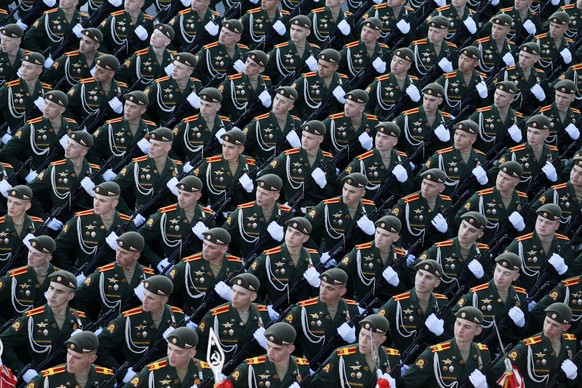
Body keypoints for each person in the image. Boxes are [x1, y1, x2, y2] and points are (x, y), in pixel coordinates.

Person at [0, 270, 87, 382]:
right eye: (51, 288)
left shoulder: (79, 319)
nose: (52, 295)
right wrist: (22, 369)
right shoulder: (31, 318)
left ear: (70, 296)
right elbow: (3, 343)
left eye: (60, 292)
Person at [96, 275, 186, 372]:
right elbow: (100, 347)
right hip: (132, 374)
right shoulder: (128, 319)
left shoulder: (177, 317)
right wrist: (122, 373)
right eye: (144, 295)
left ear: (163, 301)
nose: (144, 301)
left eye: (150, 298)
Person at [490, 302, 579, 387]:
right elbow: (497, 372)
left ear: (566, 327)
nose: (548, 328)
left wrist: (573, 377)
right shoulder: (528, 346)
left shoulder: (570, 342)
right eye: (547, 321)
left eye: (555, 325)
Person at [399, 306, 491, 388]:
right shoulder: (433, 354)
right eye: (458, 323)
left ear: (477, 331)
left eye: (467, 327)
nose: (460, 330)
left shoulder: (482, 353)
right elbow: (406, 384)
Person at [452, 252, 529, 350]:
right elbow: (453, 317)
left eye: (506, 273)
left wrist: (521, 324)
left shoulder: (520, 297)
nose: (499, 276)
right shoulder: (476, 294)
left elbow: (526, 331)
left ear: (515, 277)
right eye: (498, 270)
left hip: (502, 350)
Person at [53, 181, 135, 273]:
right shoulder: (81, 220)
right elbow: (59, 247)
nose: (96, 203)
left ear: (114, 203)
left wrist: (122, 250)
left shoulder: (126, 224)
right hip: (84, 275)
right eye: (95, 198)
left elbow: (136, 256)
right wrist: (72, 273)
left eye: (102, 200)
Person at [139, 176, 215, 271]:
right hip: (167, 267)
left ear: (198, 196)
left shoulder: (207, 216)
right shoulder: (164, 215)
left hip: (196, 271)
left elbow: (219, 249)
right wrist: (157, 261)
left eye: (186, 195)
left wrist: (208, 239)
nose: (181, 198)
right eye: (179, 193)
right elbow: (140, 240)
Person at [73, 231, 153, 321]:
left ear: (136, 256)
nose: (118, 255)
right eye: (118, 250)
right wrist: (87, 323)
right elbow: (78, 298)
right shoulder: (103, 274)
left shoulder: (148, 277)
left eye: (124, 253)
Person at [284, 268, 360, 362]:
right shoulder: (303, 309)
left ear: (342, 291)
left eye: (330, 288)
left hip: (341, 367)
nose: (323, 291)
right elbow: (284, 338)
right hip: (311, 367)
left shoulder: (351, 309)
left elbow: (363, 345)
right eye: (322, 285)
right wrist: (299, 365)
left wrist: (353, 340)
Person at [1, 90, 77, 182]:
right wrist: (26, 175)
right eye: (45, 103)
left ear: (61, 110)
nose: (46, 108)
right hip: (36, 178)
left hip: (61, 179)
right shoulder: (32, 127)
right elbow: (6, 152)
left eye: (51, 105)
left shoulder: (72, 128)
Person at [378, 259, 452, 353]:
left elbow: (451, 342)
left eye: (428, 277)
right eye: (420, 274)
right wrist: (390, 358)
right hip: (401, 362)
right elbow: (374, 330)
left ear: (437, 283)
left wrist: (441, 333)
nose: (422, 280)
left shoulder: (442, 303)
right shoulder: (397, 302)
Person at [260, 119, 335, 210]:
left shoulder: (328, 159)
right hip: (292, 211)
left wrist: (324, 185)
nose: (305, 140)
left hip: (318, 213)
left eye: (310, 138)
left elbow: (333, 193)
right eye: (303, 136)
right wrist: (279, 205)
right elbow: (264, 177)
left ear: (320, 139)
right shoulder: (288, 157)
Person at [196, 273, 270, 364]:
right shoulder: (215, 316)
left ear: (252, 297)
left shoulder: (262, 313)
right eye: (233, 290)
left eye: (241, 294)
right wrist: (211, 371)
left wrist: (269, 346)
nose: (234, 296)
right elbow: (197, 347)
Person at [249, 216, 321, 308]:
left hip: (301, 311)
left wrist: (317, 285)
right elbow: (248, 284)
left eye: (297, 234)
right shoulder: (269, 257)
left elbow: (318, 295)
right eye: (289, 230)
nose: (290, 236)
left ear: (305, 238)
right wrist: (263, 309)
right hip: (275, 312)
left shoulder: (313, 257)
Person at [168, 227, 242, 315]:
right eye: (204, 244)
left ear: (224, 250)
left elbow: (248, 296)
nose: (205, 250)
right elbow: (166, 293)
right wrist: (179, 316)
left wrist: (233, 297)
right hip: (192, 319)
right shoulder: (188, 265)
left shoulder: (235, 265)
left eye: (211, 247)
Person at [311, 314, 400, 387]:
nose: (363, 341)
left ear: (382, 340)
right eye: (362, 334)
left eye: (370, 338)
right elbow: (318, 384)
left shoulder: (392, 358)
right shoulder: (341, 356)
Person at [27, 131, 100, 220]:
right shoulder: (55, 169)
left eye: (73, 146)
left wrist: (96, 194)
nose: (67, 148)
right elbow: (28, 192)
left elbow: (110, 203)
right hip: (58, 221)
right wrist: (44, 218)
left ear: (83, 153)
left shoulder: (94, 171)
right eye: (68, 143)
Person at [505, 203, 576, 293]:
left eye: (548, 223)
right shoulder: (521, 244)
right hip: (525, 299)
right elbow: (502, 269)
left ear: (557, 226)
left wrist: (564, 270)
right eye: (540, 220)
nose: (542, 225)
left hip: (552, 301)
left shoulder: (564, 245)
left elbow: (573, 281)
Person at [217, 322, 310, 388]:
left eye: (277, 349)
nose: (270, 352)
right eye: (268, 346)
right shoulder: (250, 367)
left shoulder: (302, 367)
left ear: (290, 349)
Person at [455, 161, 529, 244]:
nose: (501, 180)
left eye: (506, 178)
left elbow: (525, 233)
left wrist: (522, 228)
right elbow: (459, 218)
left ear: (516, 182)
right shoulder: (481, 197)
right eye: (500, 175)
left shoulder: (522, 200)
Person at [338, 215, 409, 301]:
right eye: (378, 232)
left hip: (387, 306)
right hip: (362, 305)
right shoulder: (360, 252)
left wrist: (396, 283)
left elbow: (405, 289)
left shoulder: (400, 256)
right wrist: (350, 304)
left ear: (395, 238)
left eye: (385, 235)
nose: (379, 238)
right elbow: (338, 275)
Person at [338, 121, 414, 201]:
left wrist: (405, 181)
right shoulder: (362, 161)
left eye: (385, 138)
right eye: (378, 135)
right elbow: (341, 181)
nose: (379, 140)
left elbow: (410, 191)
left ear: (394, 142)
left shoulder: (402, 159)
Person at [114, 127, 183, 213]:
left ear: (167, 147)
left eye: (156, 145)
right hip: (141, 216)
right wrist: (128, 214)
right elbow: (112, 189)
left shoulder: (178, 168)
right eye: (151, 143)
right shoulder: (137, 165)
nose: (151, 148)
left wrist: (180, 194)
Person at [223, 174, 292, 259]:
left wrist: (282, 238)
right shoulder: (242, 212)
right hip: (247, 264)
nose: (259, 196)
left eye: (264, 194)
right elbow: (223, 239)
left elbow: (295, 246)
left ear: (276, 196)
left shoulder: (286, 214)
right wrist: (235, 262)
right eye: (258, 191)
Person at [306, 172, 376, 253]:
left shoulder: (369, 208)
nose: (346, 194)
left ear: (362, 193)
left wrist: (373, 233)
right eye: (345, 189)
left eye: (352, 192)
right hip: (329, 257)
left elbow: (376, 243)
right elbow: (302, 227)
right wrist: (318, 254)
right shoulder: (327, 206)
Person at [87, 90, 157, 169]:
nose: (128, 109)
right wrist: (103, 169)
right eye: (126, 105)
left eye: (133, 107)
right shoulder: (111, 126)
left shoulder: (151, 130)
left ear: (143, 110)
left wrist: (152, 153)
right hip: (110, 173)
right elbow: (90, 147)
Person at [418, 119, 488, 197]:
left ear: (473, 139)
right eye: (456, 134)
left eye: (463, 136)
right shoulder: (440, 156)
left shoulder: (481, 158)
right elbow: (419, 179)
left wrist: (483, 182)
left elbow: (483, 192)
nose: (457, 139)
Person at [192, 128, 256, 213]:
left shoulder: (250, 165)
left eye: (230, 147)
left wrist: (251, 190)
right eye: (224, 145)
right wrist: (203, 209)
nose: (226, 150)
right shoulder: (210, 164)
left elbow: (257, 198)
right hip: (215, 215)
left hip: (240, 216)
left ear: (241, 149)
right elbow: (191, 187)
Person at [492, 114, 561, 193]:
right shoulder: (514, 153)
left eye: (536, 133)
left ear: (546, 134)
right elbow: (494, 174)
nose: (531, 136)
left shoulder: (553, 152)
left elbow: (558, 184)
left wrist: (555, 179)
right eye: (529, 131)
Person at [530, 151, 582, 251]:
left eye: (581, 174)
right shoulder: (555, 192)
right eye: (574, 170)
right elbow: (533, 211)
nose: (575, 176)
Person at [124, 327, 210, 388]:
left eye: (178, 352)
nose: (171, 355)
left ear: (192, 354)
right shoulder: (152, 371)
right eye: (170, 348)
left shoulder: (207, 372)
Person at [390, 168, 453, 249]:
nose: (425, 188)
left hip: (433, 251)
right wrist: (399, 251)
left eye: (431, 185)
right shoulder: (406, 203)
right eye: (424, 183)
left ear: (441, 189)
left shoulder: (447, 203)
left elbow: (451, 234)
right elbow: (389, 228)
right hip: (409, 249)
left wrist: (445, 230)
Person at [0, 235, 58, 324]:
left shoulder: (61, 279)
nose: (30, 257)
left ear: (48, 258)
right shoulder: (14, 277)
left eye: (36, 255)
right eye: (30, 251)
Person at [27, 331, 113, 388]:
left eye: (77, 357)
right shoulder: (49, 378)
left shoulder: (106, 378)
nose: (70, 360)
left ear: (92, 359)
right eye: (69, 353)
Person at [394, 83, 453, 166]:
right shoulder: (407, 117)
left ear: (440, 101)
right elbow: (390, 139)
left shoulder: (446, 120)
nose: (427, 103)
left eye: (432, 100)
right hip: (408, 164)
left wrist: (448, 141)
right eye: (425, 98)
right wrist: (401, 159)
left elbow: (455, 150)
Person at [243, 86, 302, 166]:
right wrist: (253, 166)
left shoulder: (297, 124)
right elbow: (240, 146)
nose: (277, 104)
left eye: (282, 102)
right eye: (276, 98)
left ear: (290, 107)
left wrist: (299, 148)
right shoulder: (259, 123)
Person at [172, 87, 230, 164]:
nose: (203, 108)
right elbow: (166, 144)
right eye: (201, 104)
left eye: (208, 105)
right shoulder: (187, 124)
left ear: (218, 107)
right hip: (193, 170)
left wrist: (227, 143)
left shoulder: (226, 124)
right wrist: (179, 165)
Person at [65, 54, 128, 125]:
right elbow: (65, 105)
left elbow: (130, 119)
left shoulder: (122, 90)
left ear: (111, 74)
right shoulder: (84, 86)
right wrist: (76, 126)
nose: (95, 73)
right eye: (96, 68)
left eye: (100, 71)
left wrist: (121, 112)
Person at [0, 52, 52, 137]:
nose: (23, 70)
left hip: (36, 139)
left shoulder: (46, 91)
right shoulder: (9, 89)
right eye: (23, 65)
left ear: (39, 71)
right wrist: (3, 135)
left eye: (28, 67)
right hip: (12, 136)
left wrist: (48, 112)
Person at [143, 52, 202, 126]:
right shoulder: (159, 85)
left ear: (189, 72)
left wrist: (199, 108)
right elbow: (139, 107)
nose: (174, 69)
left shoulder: (196, 85)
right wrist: (152, 128)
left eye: (179, 67)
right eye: (174, 65)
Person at [322, 89, 379, 165]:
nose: (346, 108)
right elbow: (316, 137)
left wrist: (370, 147)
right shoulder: (333, 121)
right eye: (346, 103)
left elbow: (384, 150)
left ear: (361, 109)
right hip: (338, 165)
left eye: (351, 105)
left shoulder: (372, 122)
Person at [290, 48, 349, 119]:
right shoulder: (306, 80)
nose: (320, 68)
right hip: (309, 124)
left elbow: (350, 112)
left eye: (325, 66)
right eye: (319, 64)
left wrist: (345, 102)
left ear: (336, 67)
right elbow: (288, 101)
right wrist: (299, 121)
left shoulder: (343, 81)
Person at [494, 42, 548, 115]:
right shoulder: (507, 72)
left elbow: (545, 105)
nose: (522, 59)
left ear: (536, 59)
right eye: (521, 55)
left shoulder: (541, 75)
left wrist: (542, 99)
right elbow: (491, 93)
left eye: (527, 57)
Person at [218, 49, 272, 121]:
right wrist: (224, 123)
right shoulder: (232, 81)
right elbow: (215, 103)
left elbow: (269, 114)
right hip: (233, 124)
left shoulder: (266, 84)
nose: (247, 66)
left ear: (261, 70)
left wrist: (268, 106)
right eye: (247, 61)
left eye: (252, 65)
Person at [470, 80, 525, 152]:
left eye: (502, 96)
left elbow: (524, 150)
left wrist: (519, 141)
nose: (497, 98)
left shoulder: (518, 119)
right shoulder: (480, 115)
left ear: (511, 100)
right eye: (496, 93)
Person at [116, 23, 175, 90]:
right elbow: (119, 75)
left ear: (167, 42)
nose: (153, 36)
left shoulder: (173, 59)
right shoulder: (140, 57)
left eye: (159, 36)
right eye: (154, 33)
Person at [365, 48, 419, 119]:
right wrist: (373, 122)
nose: (394, 64)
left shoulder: (414, 82)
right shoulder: (380, 82)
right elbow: (363, 103)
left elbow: (419, 110)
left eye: (400, 62)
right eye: (394, 59)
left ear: (408, 66)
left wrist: (418, 100)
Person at [192, 19, 249, 86]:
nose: (222, 35)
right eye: (222, 31)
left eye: (228, 34)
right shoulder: (208, 50)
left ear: (237, 38)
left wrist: (246, 72)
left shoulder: (245, 51)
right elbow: (192, 70)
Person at [264, 15, 319, 86]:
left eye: (299, 30)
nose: (294, 33)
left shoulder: (315, 51)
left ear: (308, 32)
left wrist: (316, 71)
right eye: (292, 29)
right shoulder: (279, 50)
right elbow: (262, 71)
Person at [436, 46, 487, 118]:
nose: (461, 62)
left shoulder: (481, 80)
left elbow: (486, 108)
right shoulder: (447, 78)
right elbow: (434, 96)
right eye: (461, 57)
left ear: (475, 64)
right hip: (449, 118)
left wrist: (484, 97)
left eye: (466, 60)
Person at [22, 0, 87, 55]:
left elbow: (92, 47)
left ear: (75, 2)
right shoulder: (49, 16)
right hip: (51, 59)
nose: (62, 0)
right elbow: (29, 37)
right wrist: (42, 56)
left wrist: (83, 37)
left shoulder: (84, 19)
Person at [0, 186, 44, 267]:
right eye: (9, 201)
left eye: (17, 203)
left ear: (27, 206)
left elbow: (47, 260)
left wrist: (36, 249)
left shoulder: (37, 225)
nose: (11, 206)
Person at [539, 79, 581, 154]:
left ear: (573, 98)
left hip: (568, 156)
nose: (560, 100)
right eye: (558, 95)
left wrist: (578, 138)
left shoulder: (577, 116)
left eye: (565, 97)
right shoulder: (544, 113)